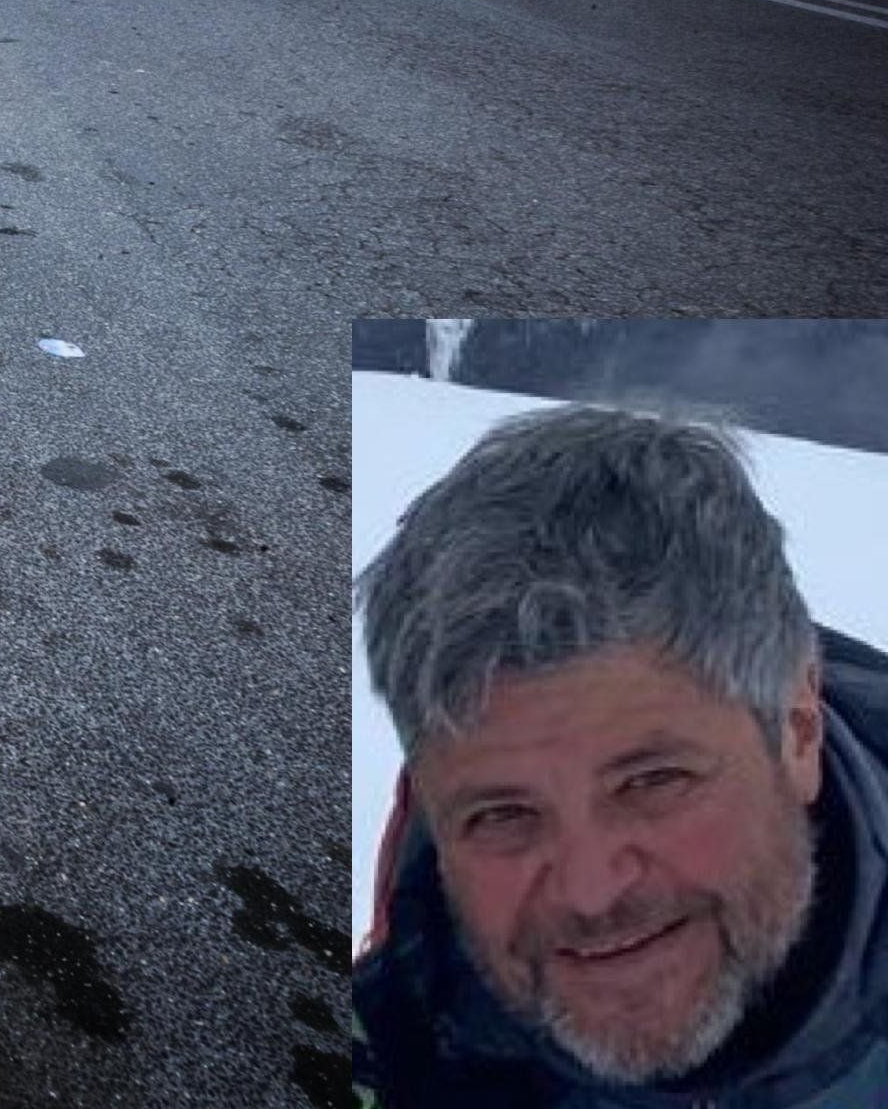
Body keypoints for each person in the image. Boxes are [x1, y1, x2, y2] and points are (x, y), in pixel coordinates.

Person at [353, 407, 888, 1106]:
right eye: (503, 813)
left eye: (652, 780)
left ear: (797, 728)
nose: (590, 890)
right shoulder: (394, 1031)